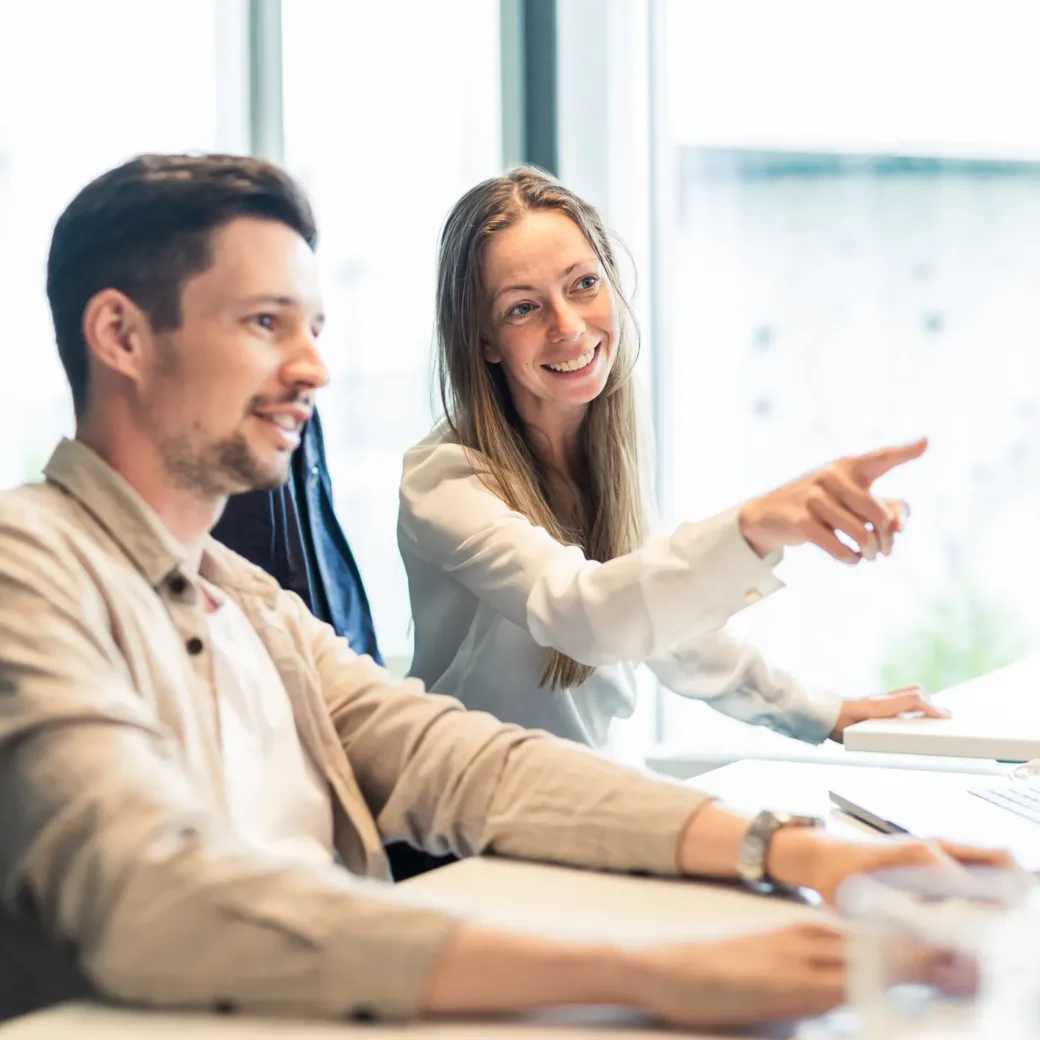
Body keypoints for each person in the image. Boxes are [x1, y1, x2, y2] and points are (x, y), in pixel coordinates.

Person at [0, 153, 1009, 1030]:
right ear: (122, 336)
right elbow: (158, 898)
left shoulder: (247, 599)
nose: (314, 365)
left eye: (313, 325)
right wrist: (656, 969)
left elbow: (475, 763)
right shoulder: (27, 565)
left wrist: (795, 850)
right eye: (268, 323)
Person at [399, 166, 945, 749]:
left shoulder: (608, 448)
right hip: (460, 820)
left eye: (583, 284)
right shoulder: (444, 479)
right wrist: (756, 526)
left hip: (572, 798)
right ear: (483, 340)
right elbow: (586, 615)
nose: (569, 326)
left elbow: (662, 625)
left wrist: (825, 712)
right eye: (522, 308)